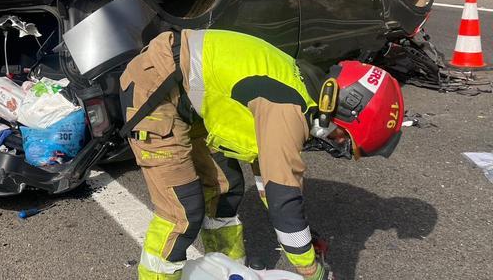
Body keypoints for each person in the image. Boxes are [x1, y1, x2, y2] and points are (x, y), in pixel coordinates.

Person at [120, 29, 405, 280]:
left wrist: (304, 236)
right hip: (156, 88)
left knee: (226, 189)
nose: (336, 144)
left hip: (189, 98)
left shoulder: (303, 90)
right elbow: (284, 203)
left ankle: (229, 268)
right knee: (181, 212)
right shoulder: (288, 110)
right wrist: (312, 270)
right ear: (340, 110)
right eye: (343, 138)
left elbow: (271, 184)